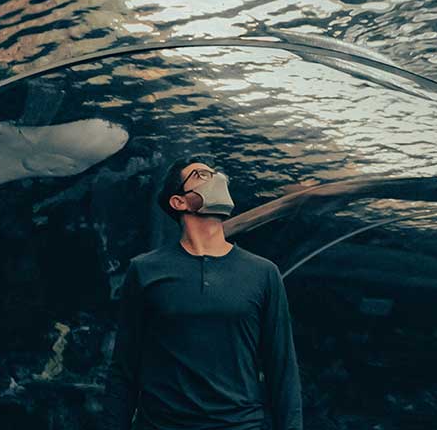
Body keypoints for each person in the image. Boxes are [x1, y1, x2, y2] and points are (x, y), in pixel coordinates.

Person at [102, 154, 304, 430]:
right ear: (179, 201)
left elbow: (282, 370)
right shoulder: (145, 270)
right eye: (201, 175)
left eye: (216, 173)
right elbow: (124, 370)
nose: (216, 178)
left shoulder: (264, 273)